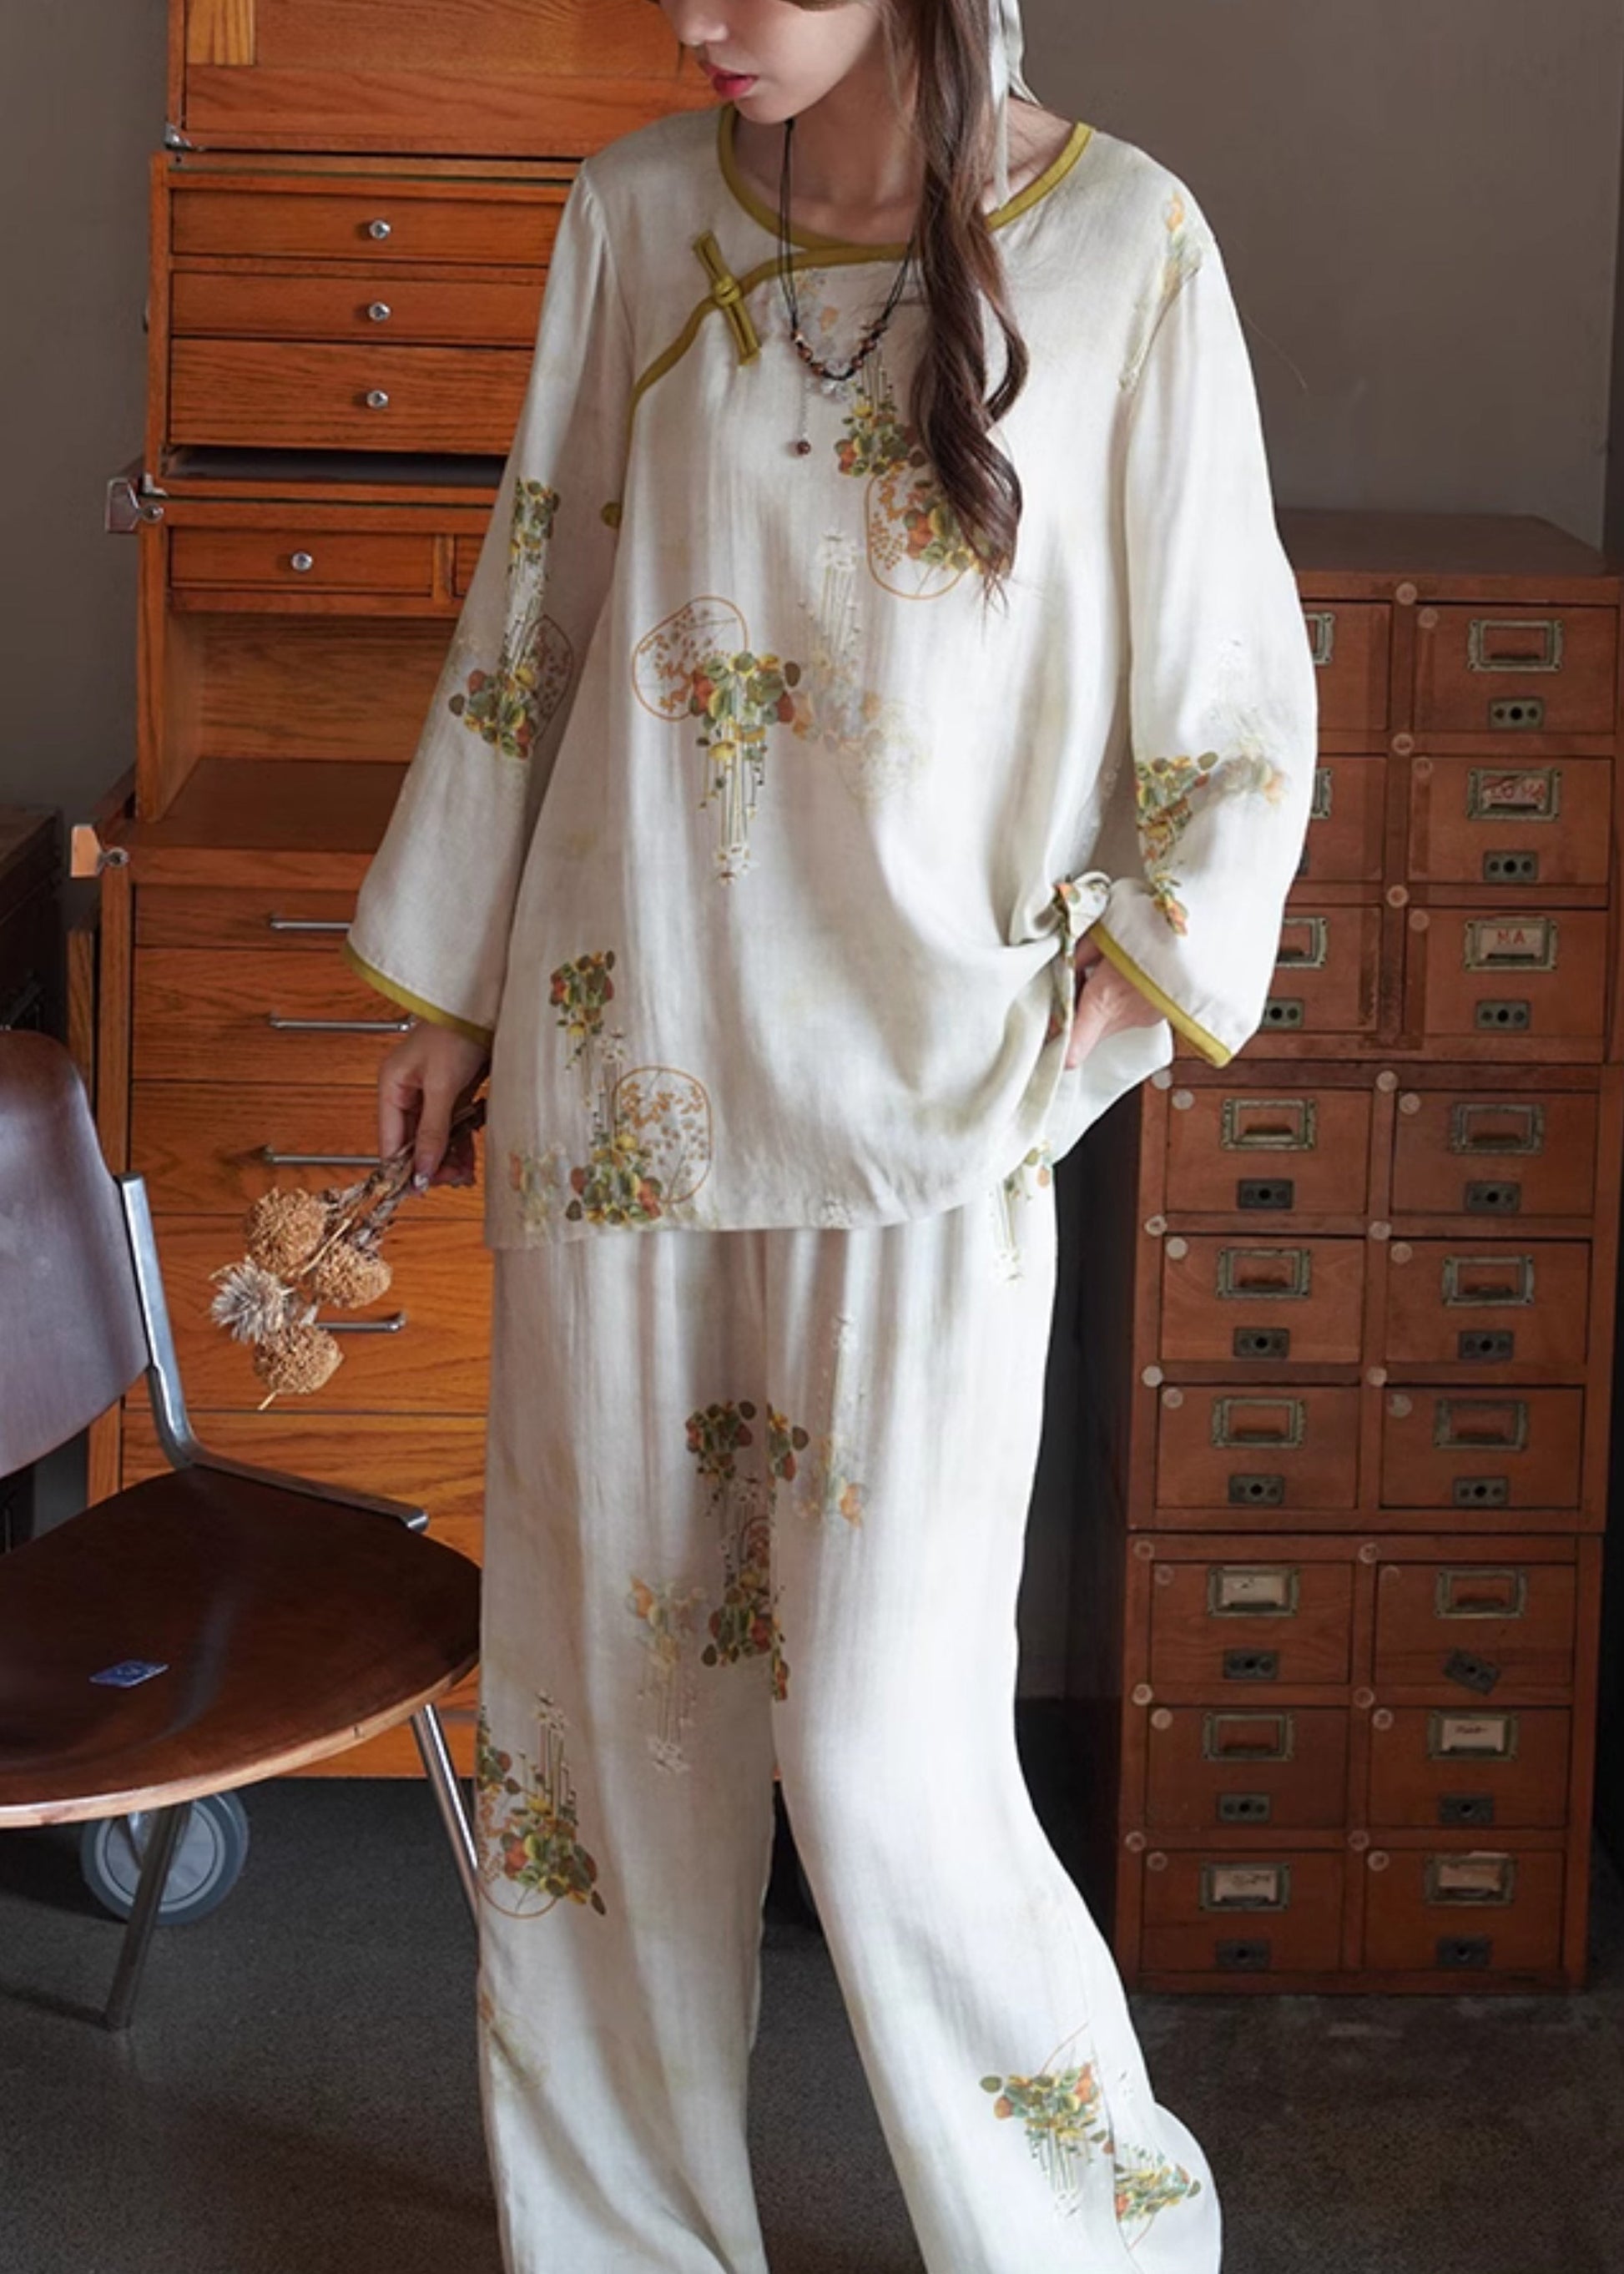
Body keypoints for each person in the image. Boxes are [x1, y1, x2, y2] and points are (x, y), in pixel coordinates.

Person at [344, 2, 1317, 2266]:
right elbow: (535, 608)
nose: (698, 15)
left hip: (926, 1116)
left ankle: (1084, 2245)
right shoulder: (630, 215)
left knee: (882, 1755)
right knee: (601, 1753)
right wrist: (460, 989)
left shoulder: (1127, 245)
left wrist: (1118, 983)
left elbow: (1230, 682)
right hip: (626, 1079)